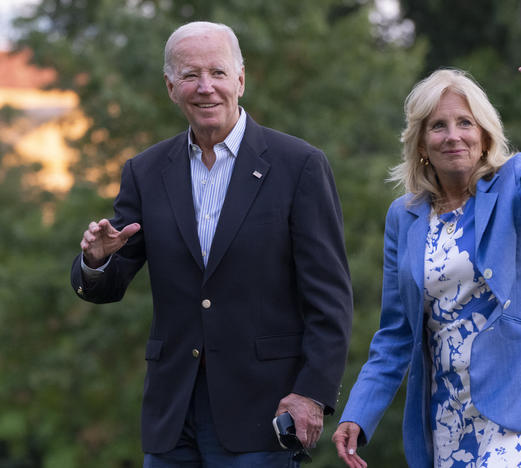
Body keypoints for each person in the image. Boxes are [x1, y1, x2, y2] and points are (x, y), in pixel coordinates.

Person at [70, 21, 353, 467]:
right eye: (190, 75)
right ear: (170, 86)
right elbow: (106, 286)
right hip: (172, 413)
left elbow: (331, 298)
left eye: (218, 73)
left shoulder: (299, 166)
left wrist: (312, 393)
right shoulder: (145, 172)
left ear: (241, 79)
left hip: (265, 410)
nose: (206, 88)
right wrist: (95, 260)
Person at [332, 26, 521, 468]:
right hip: (449, 414)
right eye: (438, 126)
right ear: (422, 144)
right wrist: (359, 414)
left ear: (484, 136)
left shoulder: (515, 183)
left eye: (465, 123)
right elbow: (395, 335)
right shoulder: (403, 217)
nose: (453, 135)